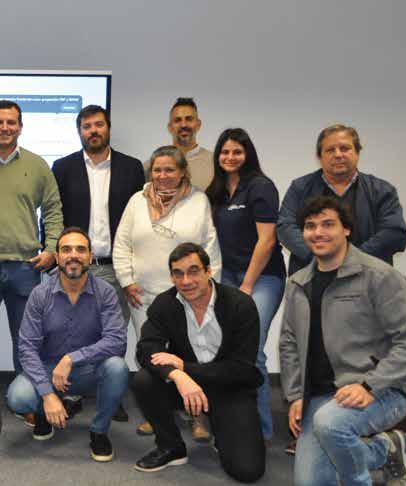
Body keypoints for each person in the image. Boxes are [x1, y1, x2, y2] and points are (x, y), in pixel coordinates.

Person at [280, 196, 406, 486]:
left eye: (327, 224)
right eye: (310, 226)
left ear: (346, 229)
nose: (318, 232)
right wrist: (295, 396)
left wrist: (370, 385)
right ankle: (383, 450)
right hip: (321, 396)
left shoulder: (381, 277)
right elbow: (289, 343)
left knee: (331, 425)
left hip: (384, 387)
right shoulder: (297, 283)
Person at [132, 243, 265, 483]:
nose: (186, 281)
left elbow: (242, 370)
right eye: (178, 274)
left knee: (247, 471)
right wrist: (178, 376)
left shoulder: (240, 305)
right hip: (186, 388)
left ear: (208, 271)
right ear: (172, 277)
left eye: (193, 271)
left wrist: (185, 368)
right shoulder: (165, 303)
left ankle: (221, 431)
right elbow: (146, 349)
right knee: (144, 380)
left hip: (230, 389)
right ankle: (171, 447)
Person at [114, 145, 221, 438]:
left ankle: (196, 416)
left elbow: (210, 247)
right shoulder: (137, 201)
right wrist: (126, 280)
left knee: (190, 355)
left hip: (187, 295)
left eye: (169, 169)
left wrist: (209, 291)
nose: (162, 175)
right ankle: (156, 414)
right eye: (157, 170)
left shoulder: (198, 201)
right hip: (144, 296)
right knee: (153, 357)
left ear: (183, 172)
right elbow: (122, 244)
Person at [51, 105, 145, 422]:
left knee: (113, 332)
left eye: (99, 125)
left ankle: (111, 393)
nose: (93, 131)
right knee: (72, 330)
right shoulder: (63, 167)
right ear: (80, 131)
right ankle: (73, 392)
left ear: (108, 128)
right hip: (75, 266)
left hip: (116, 265)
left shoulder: (131, 168)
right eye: (87, 126)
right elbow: (53, 215)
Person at [6, 228, 129, 462]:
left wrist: (72, 358)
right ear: (57, 256)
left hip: (91, 370)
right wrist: (47, 394)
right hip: (48, 370)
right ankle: (44, 413)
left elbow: (117, 340)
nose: (73, 255)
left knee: (117, 367)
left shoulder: (105, 292)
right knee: (18, 397)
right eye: (66, 250)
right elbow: (27, 348)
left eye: (80, 250)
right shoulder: (40, 294)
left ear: (90, 256)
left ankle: (99, 431)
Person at [0, 100, 63, 372]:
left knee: (26, 339)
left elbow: (53, 209)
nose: (4, 127)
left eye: (11, 122)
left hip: (25, 267)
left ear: (20, 127)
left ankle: (25, 392)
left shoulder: (38, 165)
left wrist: (51, 249)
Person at [204, 128, 285, 443]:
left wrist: (247, 286)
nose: (230, 157)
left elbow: (267, 240)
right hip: (228, 276)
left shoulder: (260, 187)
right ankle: (230, 420)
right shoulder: (217, 191)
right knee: (225, 348)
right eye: (225, 152)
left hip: (262, 278)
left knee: (252, 350)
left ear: (247, 154)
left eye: (237, 151)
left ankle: (260, 430)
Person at [277, 124, 406, 275]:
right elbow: (285, 227)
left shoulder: (382, 191)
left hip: (371, 278)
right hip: (311, 277)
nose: (338, 155)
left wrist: (350, 260)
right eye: (330, 150)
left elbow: (394, 233)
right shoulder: (300, 188)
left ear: (357, 153)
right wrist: (321, 258)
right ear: (319, 157)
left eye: (345, 148)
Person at [160, 97, 212, 190]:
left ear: (198, 124)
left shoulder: (215, 163)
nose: (183, 125)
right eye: (177, 120)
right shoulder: (152, 166)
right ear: (170, 127)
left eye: (189, 119)